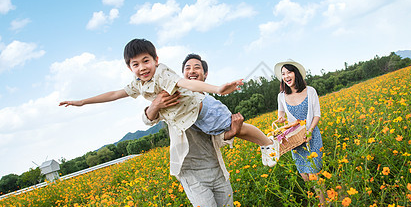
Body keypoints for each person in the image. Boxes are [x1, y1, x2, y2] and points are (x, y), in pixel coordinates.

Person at [59, 38, 278, 167]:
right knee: (233, 130)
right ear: (130, 68)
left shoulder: (162, 73)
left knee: (238, 128)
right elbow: (114, 94)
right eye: (136, 64)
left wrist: (218, 89)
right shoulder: (137, 84)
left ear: (156, 59)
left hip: (203, 109)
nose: (142, 67)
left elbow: (187, 84)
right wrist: (82, 102)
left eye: (146, 61)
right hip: (196, 119)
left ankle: (268, 144)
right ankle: (267, 144)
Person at [143, 53, 243, 207]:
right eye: (188, 68)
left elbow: (218, 135)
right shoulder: (174, 96)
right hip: (192, 174)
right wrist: (155, 105)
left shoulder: (211, 103)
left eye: (197, 67)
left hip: (217, 169)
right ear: (183, 75)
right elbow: (148, 119)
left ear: (205, 75)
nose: (192, 71)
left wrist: (233, 131)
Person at [274, 59, 326, 207]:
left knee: (314, 176)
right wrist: (280, 119)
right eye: (283, 74)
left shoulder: (310, 90)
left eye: (288, 72)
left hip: (312, 136)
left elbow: (317, 114)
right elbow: (281, 115)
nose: (286, 76)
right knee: (305, 176)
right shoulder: (281, 96)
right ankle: (322, 201)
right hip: (296, 141)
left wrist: (309, 131)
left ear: (295, 73)